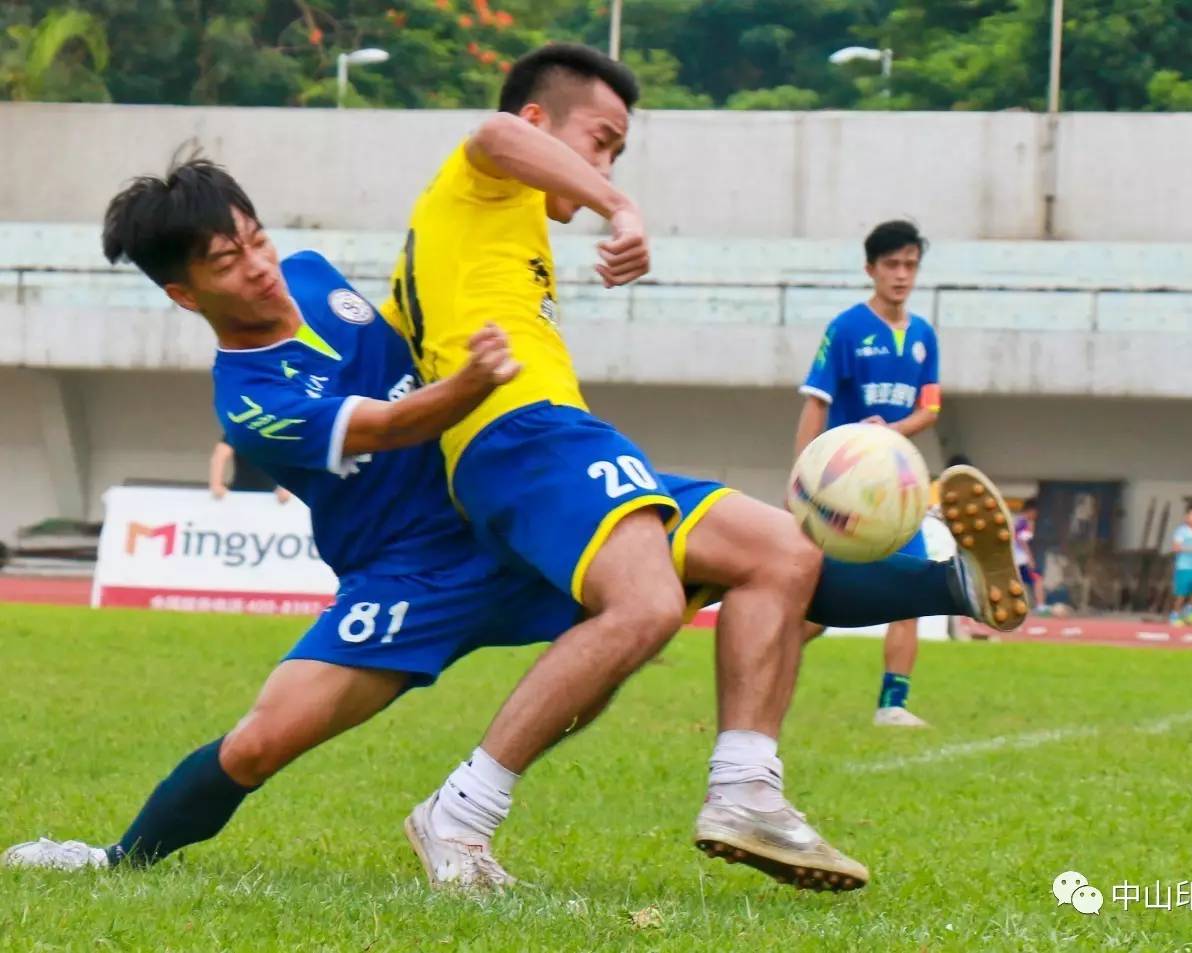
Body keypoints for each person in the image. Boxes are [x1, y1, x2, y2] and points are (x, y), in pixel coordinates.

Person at [3, 157, 1017, 894]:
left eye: (256, 237)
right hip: (408, 570)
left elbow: (415, 316)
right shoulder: (249, 398)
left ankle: (957, 586)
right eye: (228, 262)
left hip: (511, 499)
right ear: (183, 292)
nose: (259, 266)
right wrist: (474, 377)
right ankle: (116, 857)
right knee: (262, 741)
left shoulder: (311, 273)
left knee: (760, 552)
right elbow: (393, 421)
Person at [382, 43, 1028, 889]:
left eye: (618, 154)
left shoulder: (500, 234)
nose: (606, 164)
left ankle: (749, 787)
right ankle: (459, 813)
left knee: (781, 550)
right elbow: (493, 134)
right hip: (518, 438)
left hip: (566, 439)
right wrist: (620, 205)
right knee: (647, 604)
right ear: (538, 119)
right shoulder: (481, 180)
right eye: (601, 140)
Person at [793, 220, 1022, 727]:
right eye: (891, 265)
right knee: (816, 604)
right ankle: (765, 661)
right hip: (842, 489)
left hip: (896, 488)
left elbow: (930, 409)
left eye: (910, 265)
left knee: (911, 590)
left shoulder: (923, 335)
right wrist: (802, 480)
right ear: (870, 269)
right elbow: (816, 402)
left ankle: (892, 705)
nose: (901, 275)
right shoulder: (847, 329)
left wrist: (888, 433)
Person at [208, 435, 291, 503]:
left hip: (273, 498)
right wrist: (216, 485)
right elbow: (219, 456)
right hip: (239, 495)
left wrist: (287, 488)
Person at [1014, 498, 1046, 612]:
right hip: (1021, 558)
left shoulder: (1018, 520)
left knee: (1020, 582)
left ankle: (1022, 605)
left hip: (1017, 558)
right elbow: (1022, 541)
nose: (1036, 515)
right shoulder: (1024, 522)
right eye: (1036, 512)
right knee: (1037, 579)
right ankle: (1040, 605)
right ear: (1031, 510)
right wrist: (1030, 558)